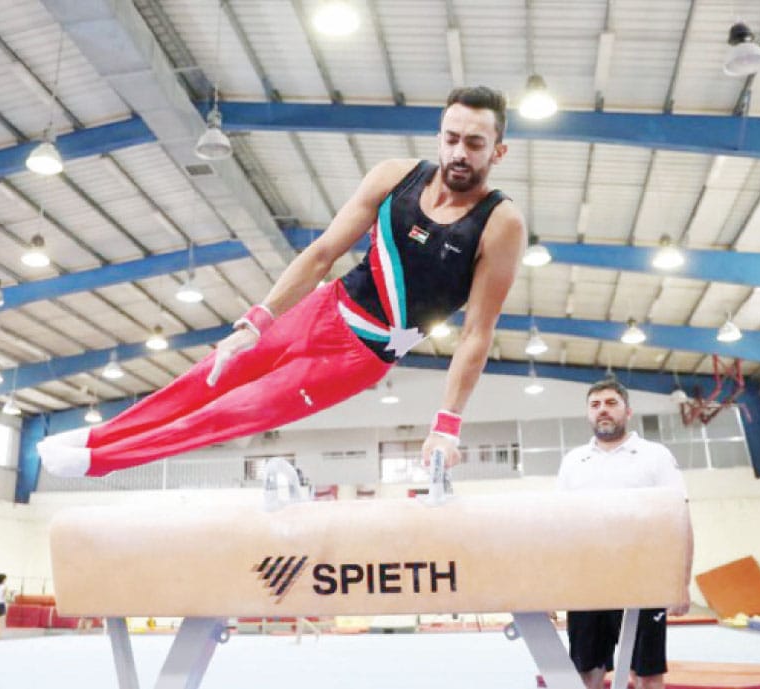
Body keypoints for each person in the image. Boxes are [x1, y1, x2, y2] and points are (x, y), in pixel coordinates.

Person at [39, 85, 526, 478]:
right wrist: (256, 321)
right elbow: (321, 254)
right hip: (321, 309)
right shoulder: (395, 177)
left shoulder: (500, 223)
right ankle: (95, 437)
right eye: (451, 138)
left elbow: (476, 334)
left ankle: (100, 461)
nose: (459, 152)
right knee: (207, 376)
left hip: (357, 357)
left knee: (230, 412)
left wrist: (446, 425)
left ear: (498, 151)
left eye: (474, 143)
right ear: (439, 136)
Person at [556, 380, 694, 689]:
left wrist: (681, 583)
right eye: (595, 405)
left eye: (611, 403)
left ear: (628, 411)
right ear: (588, 414)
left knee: (646, 674)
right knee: (585, 672)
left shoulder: (654, 455)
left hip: (642, 575)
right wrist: (555, 586)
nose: (602, 410)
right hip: (587, 578)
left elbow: (680, 520)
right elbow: (561, 527)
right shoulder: (573, 461)